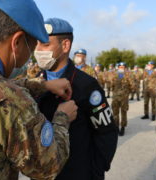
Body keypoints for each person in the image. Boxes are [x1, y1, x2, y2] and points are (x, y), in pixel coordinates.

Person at [0, 1, 78, 179]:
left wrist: (42, 85)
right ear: (16, 42)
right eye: (32, 47)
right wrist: (62, 118)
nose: (34, 53)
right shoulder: (14, 103)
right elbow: (48, 166)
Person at [34, 18, 118, 180]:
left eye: (44, 44)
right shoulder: (34, 83)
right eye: (36, 43)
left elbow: (106, 133)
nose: (37, 50)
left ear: (65, 45)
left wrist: (95, 172)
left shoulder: (86, 85)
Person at [111, 62, 134, 136]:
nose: (121, 68)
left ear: (125, 68)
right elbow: (111, 85)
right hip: (115, 97)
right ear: (118, 67)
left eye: (123, 66)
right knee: (115, 112)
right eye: (120, 66)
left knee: (123, 112)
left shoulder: (129, 75)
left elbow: (132, 86)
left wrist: (127, 93)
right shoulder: (114, 74)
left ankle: (123, 127)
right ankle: (116, 126)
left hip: (124, 97)